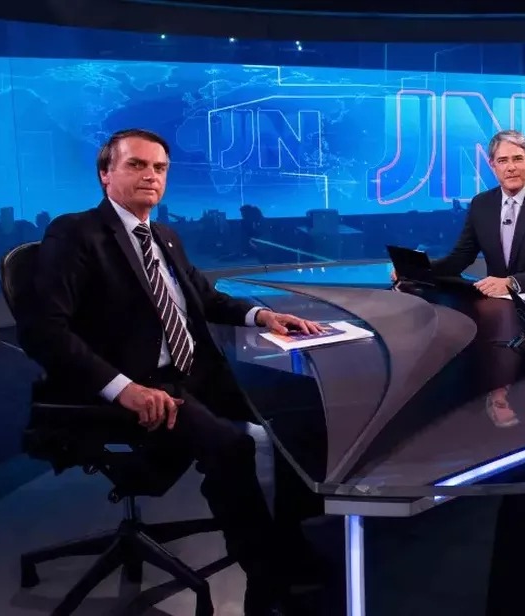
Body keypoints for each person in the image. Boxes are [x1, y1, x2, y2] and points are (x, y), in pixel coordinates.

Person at [18, 128, 322, 615]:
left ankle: (297, 553)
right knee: (231, 446)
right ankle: (267, 583)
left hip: (194, 371)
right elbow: (44, 331)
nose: (150, 176)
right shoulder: (75, 234)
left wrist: (262, 316)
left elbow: (205, 299)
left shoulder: (164, 236)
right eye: (136, 165)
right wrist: (123, 389)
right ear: (105, 175)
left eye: (159, 168)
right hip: (134, 382)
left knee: (294, 423)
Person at [392, 129, 525, 296]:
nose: (511, 167)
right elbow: (460, 258)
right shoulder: (482, 204)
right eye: (503, 161)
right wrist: (414, 271)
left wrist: (512, 283)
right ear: (492, 165)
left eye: (517, 159)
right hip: (495, 302)